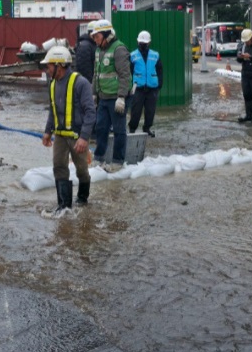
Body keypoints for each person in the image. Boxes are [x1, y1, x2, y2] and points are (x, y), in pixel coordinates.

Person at [41, 45, 96, 213]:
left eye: (49, 65)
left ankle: (82, 200)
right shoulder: (52, 84)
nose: (47, 69)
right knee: (59, 167)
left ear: (60, 65)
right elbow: (53, 110)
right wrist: (47, 131)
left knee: (82, 170)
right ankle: (64, 206)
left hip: (77, 136)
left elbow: (90, 111)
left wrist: (84, 137)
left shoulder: (81, 83)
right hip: (60, 136)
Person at [90, 19, 132, 172]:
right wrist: (94, 93)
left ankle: (117, 162)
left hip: (116, 98)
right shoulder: (98, 50)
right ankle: (99, 158)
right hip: (103, 97)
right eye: (93, 37)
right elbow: (96, 74)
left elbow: (124, 75)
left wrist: (121, 97)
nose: (95, 39)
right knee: (101, 128)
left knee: (119, 130)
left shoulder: (118, 49)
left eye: (97, 36)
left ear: (106, 34)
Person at [128, 30, 162, 137]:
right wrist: (130, 87)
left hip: (152, 88)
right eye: (141, 43)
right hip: (137, 88)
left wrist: (159, 84)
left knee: (150, 111)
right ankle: (132, 129)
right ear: (138, 42)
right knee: (135, 111)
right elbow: (129, 72)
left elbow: (160, 70)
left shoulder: (155, 55)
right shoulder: (132, 55)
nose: (143, 45)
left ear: (149, 43)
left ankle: (147, 128)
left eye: (145, 43)